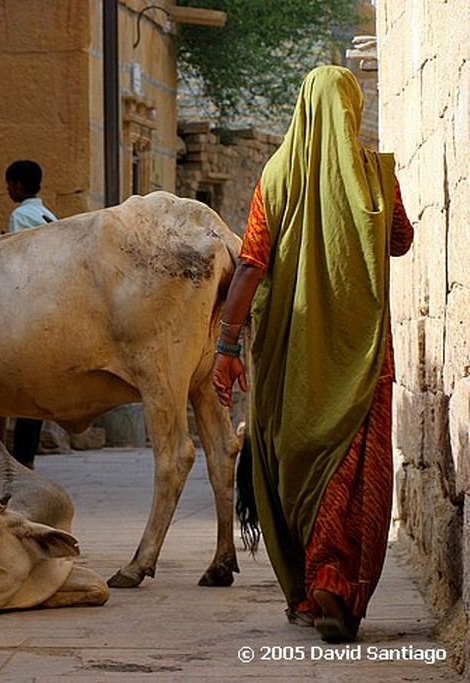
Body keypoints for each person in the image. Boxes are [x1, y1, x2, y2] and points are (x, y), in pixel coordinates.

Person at [212, 65, 414, 644]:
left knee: (294, 463)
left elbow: (251, 263)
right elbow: (400, 240)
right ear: (351, 112)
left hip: (289, 361)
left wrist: (228, 345)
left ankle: (308, 591)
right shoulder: (376, 176)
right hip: (363, 360)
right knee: (355, 470)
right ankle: (339, 582)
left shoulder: (276, 175)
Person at [4, 159, 58, 468]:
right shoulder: (48, 214)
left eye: (10, 184)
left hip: (32, 309)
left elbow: (21, 261)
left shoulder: (20, 215)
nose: (8, 190)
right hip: (50, 305)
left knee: (25, 390)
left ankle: (23, 460)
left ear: (19, 186)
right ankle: (27, 458)